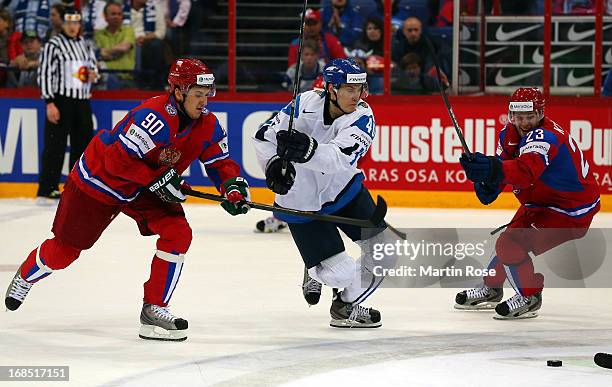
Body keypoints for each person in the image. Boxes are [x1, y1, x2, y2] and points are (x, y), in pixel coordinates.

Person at [5, 58, 251, 342]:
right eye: (198, 94)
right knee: (65, 251)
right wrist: (159, 179)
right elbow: (117, 161)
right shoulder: (154, 116)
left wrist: (231, 186)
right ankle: (25, 276)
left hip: (144, 186)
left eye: (207, 95)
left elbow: (220, 162)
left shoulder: (207, 124)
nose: (204, 102)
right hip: (100, 181)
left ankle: (154, 309)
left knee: (178, 232)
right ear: (179, 91)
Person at [253, 58, 396, 328]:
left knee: (386, 250)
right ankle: (316, 269)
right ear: (331, 89)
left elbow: (335, 159)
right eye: (349, 90)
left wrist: (307, 148)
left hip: (344, 191)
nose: (357, 96)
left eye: (360, 89)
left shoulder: (363, 116)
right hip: (299, 201)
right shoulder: (305, 102)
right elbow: (264, 136)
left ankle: (345, 306)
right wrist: (272, 165)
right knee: (340, 275)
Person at [455, 87, 600, 319]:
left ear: (541, 113)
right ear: (511, 115)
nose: (524, 123)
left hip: (569, 210)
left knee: (509, 244)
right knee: (508, 241)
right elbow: (505, 167)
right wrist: (487, 181)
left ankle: (530, 296)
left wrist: (491, 168)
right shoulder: (508, 134)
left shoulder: (545, 136)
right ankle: (492, 288)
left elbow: (525, 171)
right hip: (543, 201)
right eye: (519, 117)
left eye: (530, 117)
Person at [36, 7, 98, 203]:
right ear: (63, 23)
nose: (73, 27)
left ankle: (76, 187)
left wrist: (95, 74)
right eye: (69, 22)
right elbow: (44, 74)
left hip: (82, 101)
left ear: (80, 24)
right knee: (55, 145)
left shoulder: (85, 44)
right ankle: (47, 188)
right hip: (61, 100)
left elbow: (94, 66)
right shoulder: (53, 45)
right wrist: (49, 102)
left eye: (76, 22)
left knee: (83, 146)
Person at [94, 0, 136, 89]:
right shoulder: (98, 35)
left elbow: (124, 48)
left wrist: (106, 52)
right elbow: (97, 55)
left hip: (125, 78)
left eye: (119, 14)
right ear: (105, 17)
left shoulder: (128, 30)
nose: (117, 17)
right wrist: (115, 52)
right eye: (113, 14)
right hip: (104, 76)